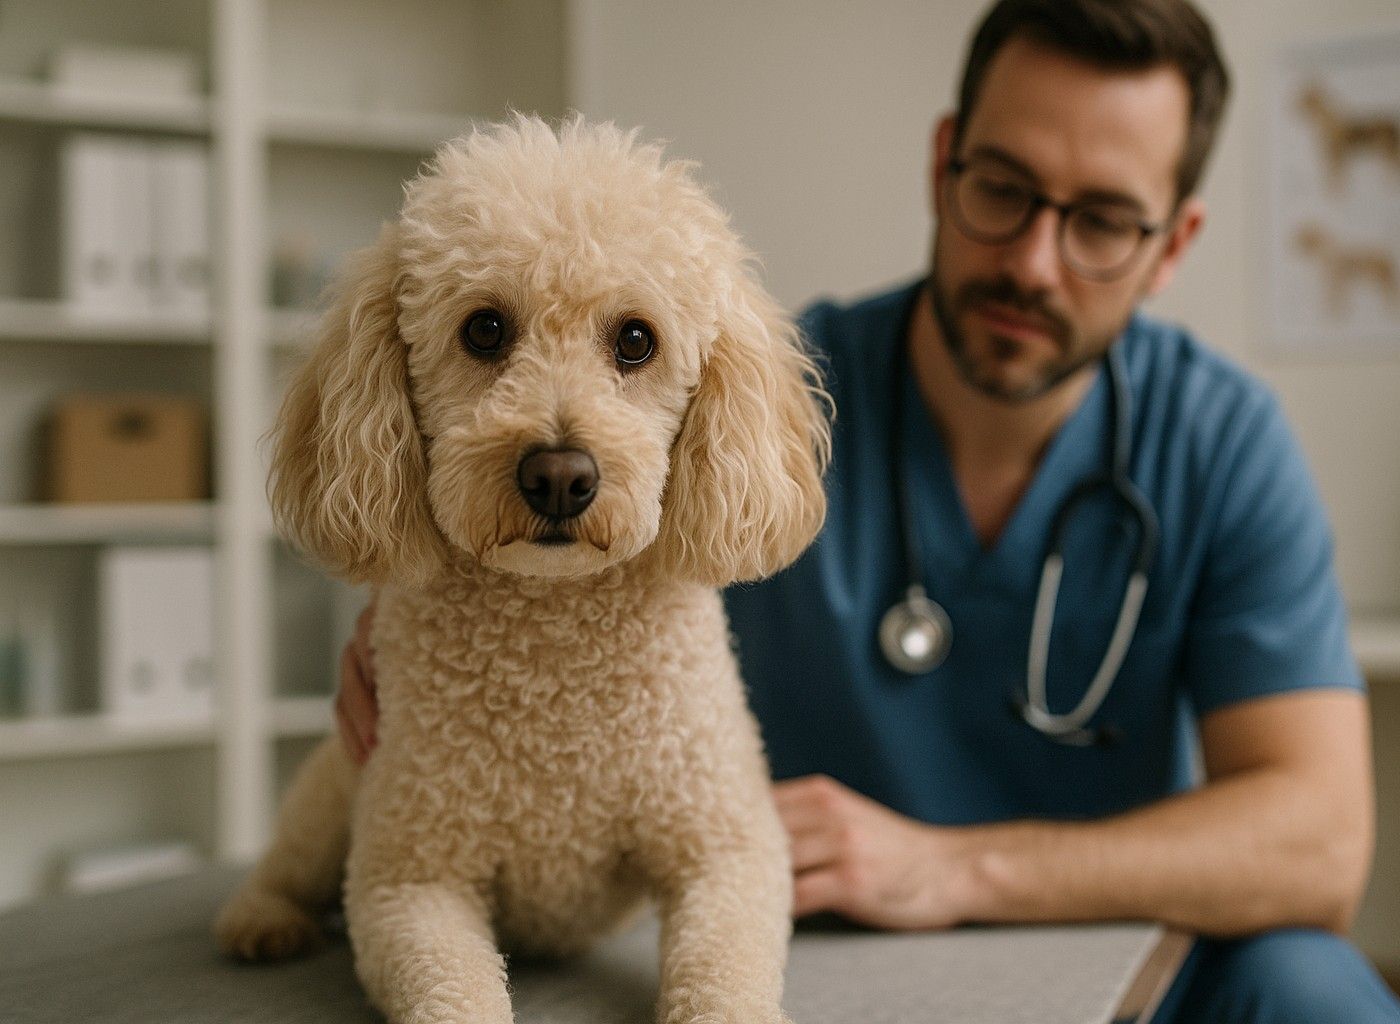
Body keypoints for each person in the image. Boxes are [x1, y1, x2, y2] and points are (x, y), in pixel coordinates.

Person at [333, 1, 1400, 1019]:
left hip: (1110, 942)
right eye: (1003, 188)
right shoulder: (746, 397)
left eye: (1102, 222)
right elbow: (547, 565)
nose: (1032, 260)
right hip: (827, 953)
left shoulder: (1220, 442)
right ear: (942, 163)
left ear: (1172, 243)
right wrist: (421, 616)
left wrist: (955, 866)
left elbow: (1316, 843)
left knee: (1316, 988)